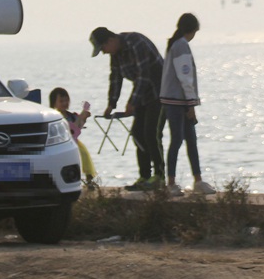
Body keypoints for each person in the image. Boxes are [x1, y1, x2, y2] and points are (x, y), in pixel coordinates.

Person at [89, 26, 165, 191]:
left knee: (151, 133)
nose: (104, 52)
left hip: (159, 92)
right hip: (142, 95)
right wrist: (111, 103)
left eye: (103, 48)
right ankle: (144, 176)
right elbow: (115, 78)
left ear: (110, 40)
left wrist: (132, 102)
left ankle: (159, 176)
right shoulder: (115, 54)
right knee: (137, 133)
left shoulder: (136, 43)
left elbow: (144, 76)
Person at [159, 13, 216, 196]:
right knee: (178, 140)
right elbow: (185, 77)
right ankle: (171, 183)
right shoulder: (181, 46)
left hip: (174, 100)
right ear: (192, 30)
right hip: (178, 102)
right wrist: (191, 105)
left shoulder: (174, 45)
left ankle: (197, 180)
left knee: (190, 140)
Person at [48, 87, 97, 186]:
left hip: (73, 142)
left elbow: (77, 129)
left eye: (66, 100)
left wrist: (83, 118)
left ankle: (89, 179)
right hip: (58, 143)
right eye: (61, 101)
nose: (65, 103)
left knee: (84, 154)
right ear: (54, 103)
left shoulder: (71, 116)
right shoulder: (52, 116)